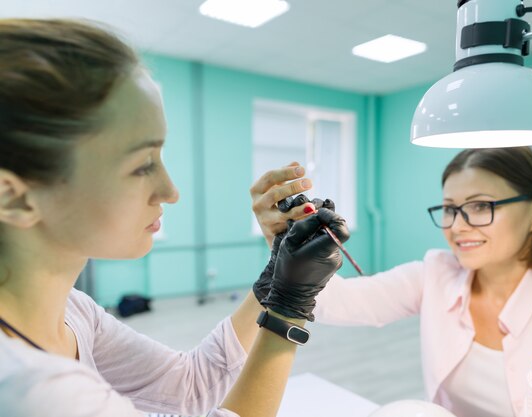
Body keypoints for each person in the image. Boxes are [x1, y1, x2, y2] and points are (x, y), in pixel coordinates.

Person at [0, 18, 349, 417]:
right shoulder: (28, 389)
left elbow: (188, 387)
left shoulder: (72, 310)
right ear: (15, 198)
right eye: (142, 165)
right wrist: (289, 308)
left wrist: (275, 279)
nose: (171, 192)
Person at [252, 147, 532, 417]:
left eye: (481, 206)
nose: (458, 225)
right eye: (449, 208)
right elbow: (338, 303)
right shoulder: (437, 273)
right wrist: (284, 244)